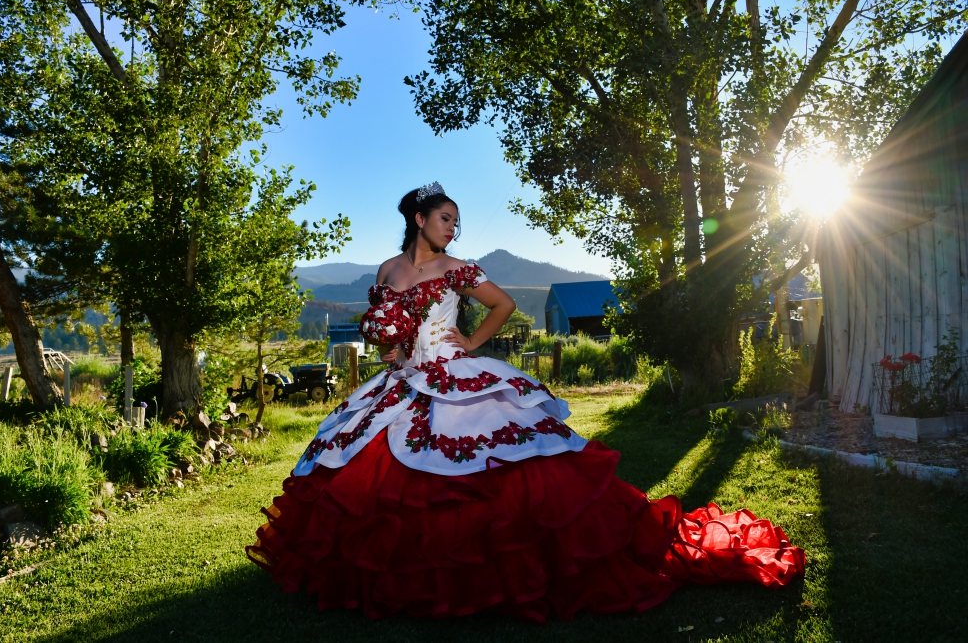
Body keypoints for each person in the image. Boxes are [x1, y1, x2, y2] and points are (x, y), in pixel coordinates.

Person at [246, 182, 805, 622]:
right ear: (420, 219)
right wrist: (393, 349)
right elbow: (390, 334)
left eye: (456, 221)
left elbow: (506, 304)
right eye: (446, 218)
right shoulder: (387, 270)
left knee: (492, 465)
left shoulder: (457, 269)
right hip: (403, 378)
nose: (453, 227)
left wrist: (468, 342)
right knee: (370, 468)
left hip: (452, 371)